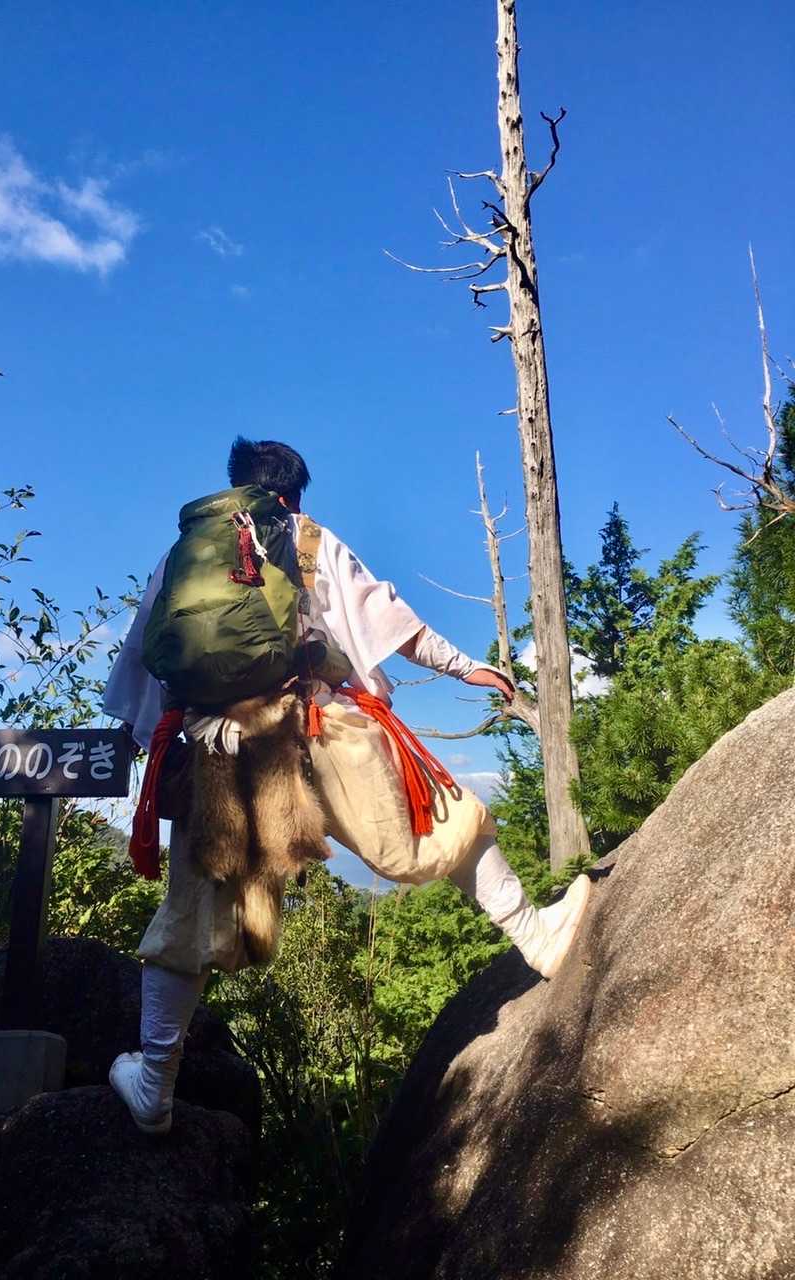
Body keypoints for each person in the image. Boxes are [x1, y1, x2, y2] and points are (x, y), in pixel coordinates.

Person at [105, 438, 591, 1134]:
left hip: (221, 753)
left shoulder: (186, 555)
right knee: (437, 824)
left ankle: (154, 1085)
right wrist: (466, 668)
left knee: (191, 915)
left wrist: (135, 741)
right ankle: (537, 938)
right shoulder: (307, 539)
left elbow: (142, 659)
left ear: (236, 485)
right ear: (292, 493)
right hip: (319, 724)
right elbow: (389, 617)